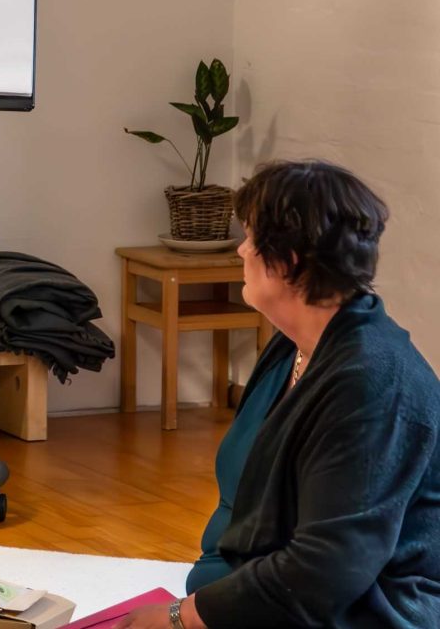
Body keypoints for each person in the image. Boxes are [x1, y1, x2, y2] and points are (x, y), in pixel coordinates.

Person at [122, 160, 439, 629]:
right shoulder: (295, 347)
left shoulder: (373, 382)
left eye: (249, 237)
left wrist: (180, 617)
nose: (241, 250)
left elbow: (329, 570)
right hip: (260, 600)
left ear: (287, 262)